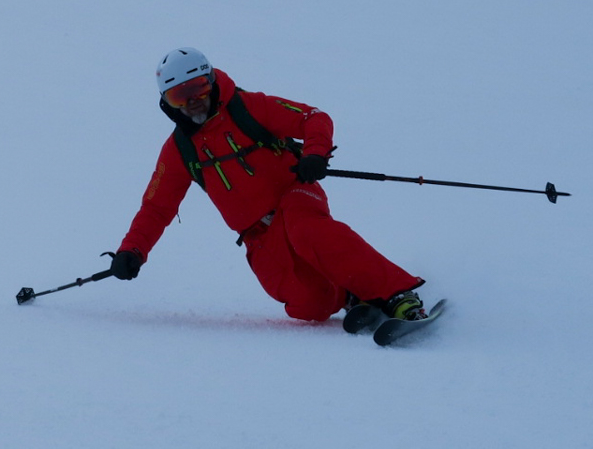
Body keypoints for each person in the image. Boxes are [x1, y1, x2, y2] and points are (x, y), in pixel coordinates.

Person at [109, 48, 430, 322]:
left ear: (211, 81)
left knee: (307, 230)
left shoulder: (248, 108)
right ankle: (352, 296)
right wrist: (132, 251)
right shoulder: (179, 150)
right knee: (309, 305)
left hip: (295, 196)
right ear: (167, 102)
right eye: (180, 95)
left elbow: (313, 117)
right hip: (257, 233)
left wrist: (315, 153)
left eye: (199, 88)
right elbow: (156, 208)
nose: (193, 101)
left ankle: (397, 295)